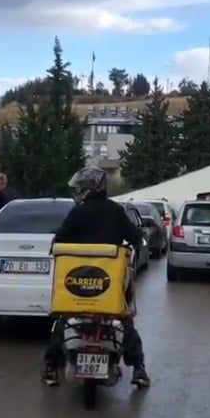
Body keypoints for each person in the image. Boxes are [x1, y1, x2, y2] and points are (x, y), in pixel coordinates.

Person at [41, 165, 150, 388]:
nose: (79, 190)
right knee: (124, 320)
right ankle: (139, 369)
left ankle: (51, 367)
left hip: (76, 285)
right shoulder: (116, 211)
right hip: (108, 285)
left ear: (91, 187)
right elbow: (135, 237)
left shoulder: (78, 212)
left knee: (60, 321)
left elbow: (59, 240)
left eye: (82, 186)